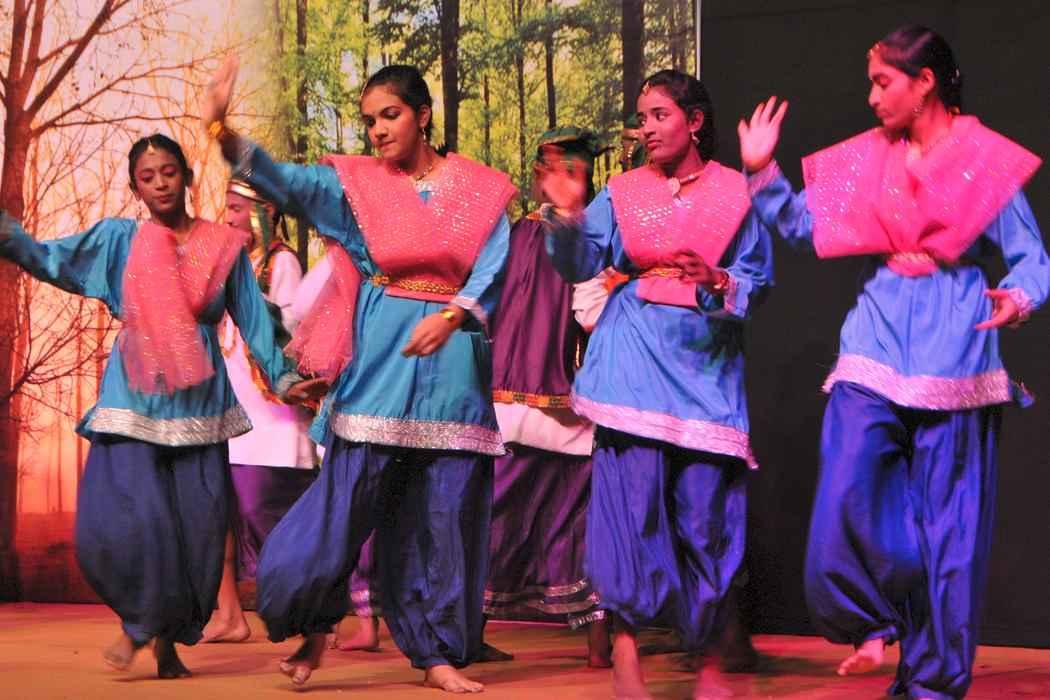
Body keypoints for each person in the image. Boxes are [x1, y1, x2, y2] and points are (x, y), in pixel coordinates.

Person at [738, 25, 1047, 700]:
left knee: (948, 535)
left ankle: (930, 683)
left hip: (957, 348)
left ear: (924, 81)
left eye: (883, 82)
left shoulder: (984, 159)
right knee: (848, 482)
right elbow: (805, 226)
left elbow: (1032, 258)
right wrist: (762, 171)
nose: (872, 97)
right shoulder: (872, 157)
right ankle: (873, 619)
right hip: (875, 339)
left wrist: (1018, 297)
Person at [202, 59, 516, 693]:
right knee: (345, 507)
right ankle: (314, 625)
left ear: (422, 115)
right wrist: (222, 133)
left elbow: (493, 264)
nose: (377, 131)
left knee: (442, 516)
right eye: (369, 120)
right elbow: (284, 180)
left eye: (390, 115)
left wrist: (453, 314)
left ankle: (435, 654)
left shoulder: (478, 189)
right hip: (382, 366)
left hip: (453, 369)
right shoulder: (356, 187)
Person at [0, 134, 307, 678]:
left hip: (200, 408)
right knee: (123, 523)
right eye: (148, 177)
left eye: (169, 172)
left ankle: (166, 641)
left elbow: (254, 319)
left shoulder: (222, 246)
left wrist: (284, 379)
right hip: (132, 402)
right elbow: (52, 260)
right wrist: (9, 236)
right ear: (135, 187)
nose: (161, 184)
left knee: (196, 531)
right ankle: (140, 622)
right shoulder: (119, 241)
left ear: (186, 176)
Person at [537, 69, 774, 699]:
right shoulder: (622, 191)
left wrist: (717, 280)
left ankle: (710, 660)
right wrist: (566, 216)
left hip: (704, 366)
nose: (646, 129)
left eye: (659, 115)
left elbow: (757, 278)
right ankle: (625, 653)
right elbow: (581, 263)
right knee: (630, 510)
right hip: (632, 359)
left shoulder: (735, 190)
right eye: (641, 118)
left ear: (694, 122)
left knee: (706, 519)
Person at [481, 126, 611, 667]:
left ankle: (599, 647)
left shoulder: (538, 234)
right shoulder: (536, 235)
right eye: (559, 170)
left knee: (518, 519)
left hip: (543, 404)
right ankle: (597, 647)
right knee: (550, 519)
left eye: (574, 171)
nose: (566, 181)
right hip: (546, 403)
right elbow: (590, 313)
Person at [202, 178, 318, 643]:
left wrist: (249, 298)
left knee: (265, 515)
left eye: (238, 208)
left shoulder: (281, 262)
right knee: (219, 517)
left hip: (271, 419)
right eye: (227, 208)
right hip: (230, 409)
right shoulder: (228, 264)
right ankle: (229, 614)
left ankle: (308, 610)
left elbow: (292, 328)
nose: (228, 217)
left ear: (265, 212)